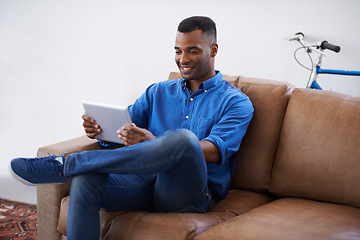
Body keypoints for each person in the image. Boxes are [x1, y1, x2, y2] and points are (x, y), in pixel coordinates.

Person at [11, 16, 254, 240]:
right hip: (143, 183)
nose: (183, 59)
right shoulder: (158, 91)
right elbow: (124, 126)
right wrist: (99, 130)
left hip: (189, 194)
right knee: (86, 181)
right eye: (178, 51)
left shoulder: (236, 102)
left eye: (192, 51)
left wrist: (153, 141)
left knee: (184, 140)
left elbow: (213, 150)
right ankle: (77, 167)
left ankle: (69, 163)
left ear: (213, 50)